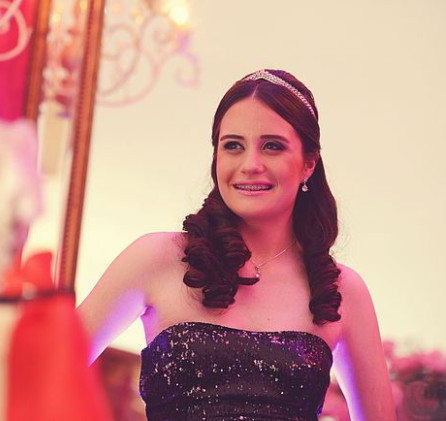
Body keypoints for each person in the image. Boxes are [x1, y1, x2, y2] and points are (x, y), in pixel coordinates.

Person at [77, 69, 396, 421]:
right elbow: (46, 373)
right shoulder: (156, 259)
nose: (250, 165)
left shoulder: (342, 290)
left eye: (272, 146)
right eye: (233, 146)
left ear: (309, 163)